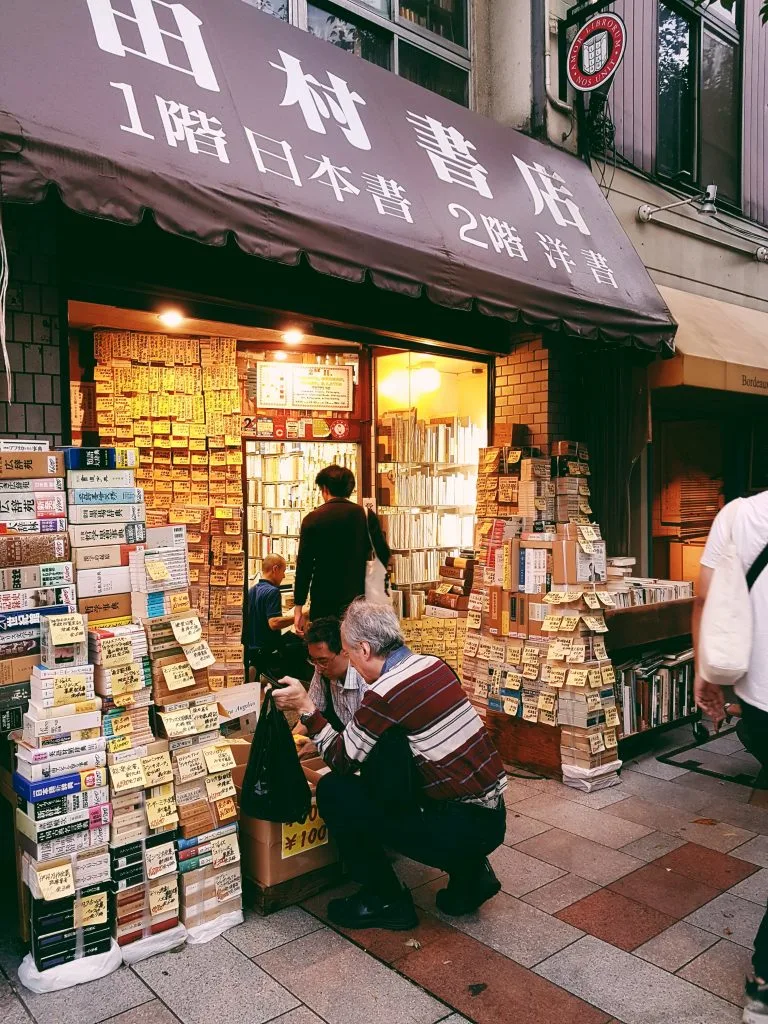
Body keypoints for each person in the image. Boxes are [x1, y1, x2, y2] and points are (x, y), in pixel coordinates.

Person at [273, 598, 507, 932]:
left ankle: (385, 898)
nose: (351, 662)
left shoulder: (384, 690)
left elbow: (340, 760)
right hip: (493, 814)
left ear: (364, 649)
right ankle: (471, 874)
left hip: (461, 827)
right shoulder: (433, 664)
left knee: (336, 792)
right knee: (388, 759)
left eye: (351, 653)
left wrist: (306, 708)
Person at [694, 493, 768, 1022]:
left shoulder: (740, 515)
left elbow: (706, 600)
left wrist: (705, 672)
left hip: (760, 709)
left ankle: (764, 981)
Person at [293, 465, 390, 633]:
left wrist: (298, 607)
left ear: (324, 489)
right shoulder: (365, 516)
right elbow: (384, 554)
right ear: (349, 489)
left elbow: (304, 566)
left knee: (327, 647)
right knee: (354, 647)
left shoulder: (312, 519)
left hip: (323, 599)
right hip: (358, 598)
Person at [244, 554, 294, 679]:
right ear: (275, 569)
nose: (283, 576)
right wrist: (298, 616)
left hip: (253, 650)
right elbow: (274, 623)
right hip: (268, 651)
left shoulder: (252, 590)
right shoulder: (273, 591)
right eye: (283, 571)